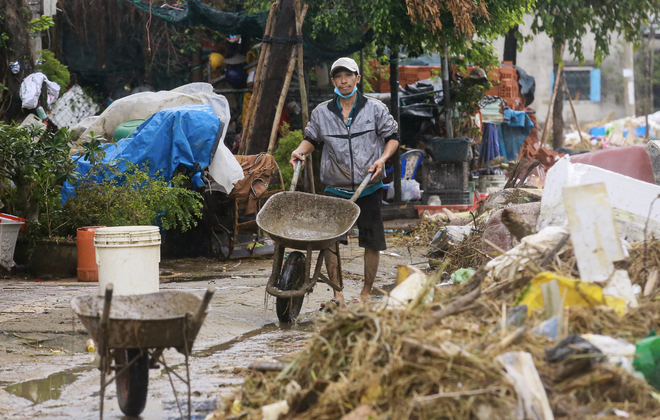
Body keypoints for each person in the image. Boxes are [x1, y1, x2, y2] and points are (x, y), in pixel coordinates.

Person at [289, 57, 399, 304]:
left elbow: (392, 137)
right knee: (331, 242)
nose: (343, 80)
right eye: (338, 76)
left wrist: (382, 159)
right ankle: (338, 293)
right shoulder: (322, 112)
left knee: (372, 241)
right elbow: (312, 139)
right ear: (333, 82)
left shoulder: (375, 108)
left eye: (348, 75)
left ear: (357, 78)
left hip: (368, 186)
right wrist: (300, 151)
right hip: (335, 189)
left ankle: (366, 293)